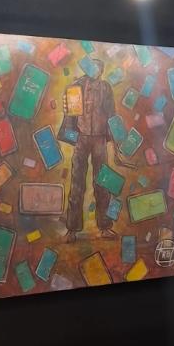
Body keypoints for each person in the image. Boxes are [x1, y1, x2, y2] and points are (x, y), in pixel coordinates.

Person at [64, 59, 117, 241]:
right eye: (94, 68)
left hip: (100, 139)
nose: (97, 71)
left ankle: (105, 227)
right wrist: (73, 138)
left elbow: (111, 114)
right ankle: (72, 229)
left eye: (100, 68)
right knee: (77, 183)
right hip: (81, 138)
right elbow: (70, 116)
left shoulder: (106, 88)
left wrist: (112, 140)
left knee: (102, 182)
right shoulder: (76, 86)